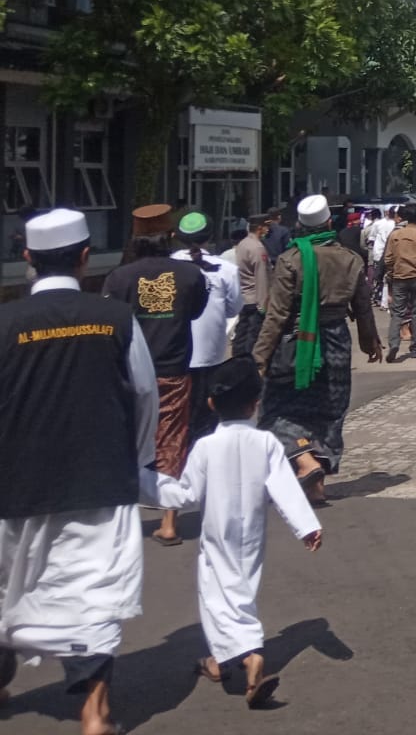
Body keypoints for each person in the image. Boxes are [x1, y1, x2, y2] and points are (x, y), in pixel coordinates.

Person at [0, 209, 158, 735]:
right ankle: (95, 711)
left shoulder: (5, 324)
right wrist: (131, 462)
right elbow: (144, 397)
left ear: (27, 260)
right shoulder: (114, 319)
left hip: (16, 485)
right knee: (93, 591)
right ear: (86, 256)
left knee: (10, 587)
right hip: (100, 479)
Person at [145, 357, 322, 709]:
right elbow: (284, 487)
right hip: (252, 534)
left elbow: (185, 494)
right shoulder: (268, 444)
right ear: (256, 403)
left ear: (211, 404)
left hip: (217, 535)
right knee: (241, 591)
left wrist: (142, 482)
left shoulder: (206, 447)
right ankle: (218, 660)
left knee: (217, 597)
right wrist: (307, 526)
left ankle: (249, 655)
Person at [252, 194, 382, 505]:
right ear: (328, 222)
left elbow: (277, 314)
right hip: (337, 339)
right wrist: (370, 342)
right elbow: (363, 307)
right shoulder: (351, 259)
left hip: (297, 342)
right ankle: (316, 482)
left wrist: (259, 357)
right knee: (330, 409)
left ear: (299, 225)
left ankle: (304, 460)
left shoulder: (291, 259)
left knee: (276, 409)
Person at [102, 211, 209, 547]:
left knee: (123, 441)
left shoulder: (118, 278)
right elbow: (195, 312)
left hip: (128, 371)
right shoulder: (191, 275)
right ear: (169, 237)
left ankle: (121, 521)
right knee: (172, 440)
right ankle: (169, 521)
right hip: (173, 368)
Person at [173, 212, 243, 442]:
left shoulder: (167, 267)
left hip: (172, 356)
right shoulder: (225, 269)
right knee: (206, 422)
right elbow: (234, 309)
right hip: (210, 356)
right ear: (210, 236)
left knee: (175, 423)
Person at [383, 203, 416, 362]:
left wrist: (391, 275)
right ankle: (415, 347)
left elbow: (388, 259)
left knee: (397, 312)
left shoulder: (395, 235)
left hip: (399, 277)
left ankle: (394, 343)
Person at [232, 213, 273, 360]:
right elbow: (261, 277)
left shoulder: (243, 244)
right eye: (267, 226)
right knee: (253, 337)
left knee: (242, 334)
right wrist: (263, 306)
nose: (268, 229)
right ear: (260, 228)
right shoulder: (257, 248)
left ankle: (238, 361)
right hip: (256, 299)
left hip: (244, 297)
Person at [367, 207, 396, 311]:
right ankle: (379, 299)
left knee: (385, 278)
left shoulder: (395, 224)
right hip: (380, 253)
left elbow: (371, 239)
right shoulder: (378, 224)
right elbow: (372, 238)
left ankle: (384, 302)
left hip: (387, 253)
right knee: (382, 278)